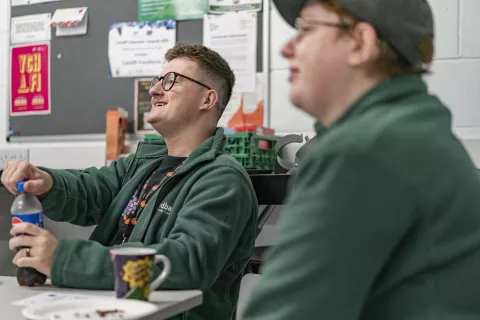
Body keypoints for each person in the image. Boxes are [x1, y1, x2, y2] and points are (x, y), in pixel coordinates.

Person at [242, 0, 480, 319]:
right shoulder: (416, 132)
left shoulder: (361, 152)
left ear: (360, 42)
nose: (287, 48)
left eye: (306, 30)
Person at [2, 43, 258, 320]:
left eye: (172, 81)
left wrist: (63, 260)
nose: (155, 89)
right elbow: (91, 190)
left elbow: (186, 262)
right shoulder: (142, 163)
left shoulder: (222, 179)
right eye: (158, 80)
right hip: (110, 308)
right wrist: (47, 181)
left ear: (207, 100)